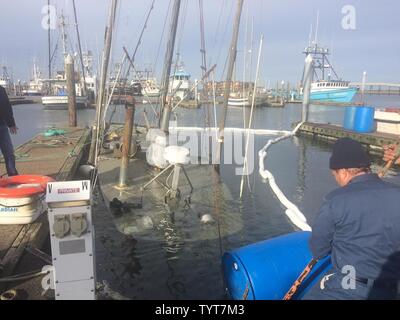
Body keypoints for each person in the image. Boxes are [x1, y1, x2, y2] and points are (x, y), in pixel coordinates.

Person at [303, 137, 400, 300]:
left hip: (346, 286)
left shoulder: (335, 200)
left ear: (343, 171)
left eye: (334, 175)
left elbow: (318, 250)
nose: (336, 180)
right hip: (389, 291)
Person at [0, 85, 18, 176]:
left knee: (9, 151)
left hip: (2, 125)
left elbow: (6, 107)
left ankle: (12, 174)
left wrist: (11, 124)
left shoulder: (1, 90)